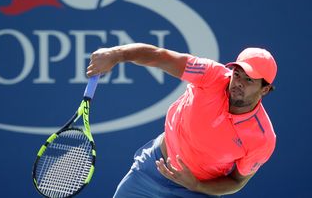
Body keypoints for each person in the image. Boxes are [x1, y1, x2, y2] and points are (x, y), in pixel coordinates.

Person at [86, 43, 277, 198]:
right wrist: (116, 54)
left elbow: (237, 182)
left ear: (265, 89)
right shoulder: (211, 75)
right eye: (237, 74)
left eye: (249, 80)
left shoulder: (262, 139)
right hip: (153, 168)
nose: (238, 83)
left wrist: (196, 185)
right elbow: (161, 56)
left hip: (195, 191)